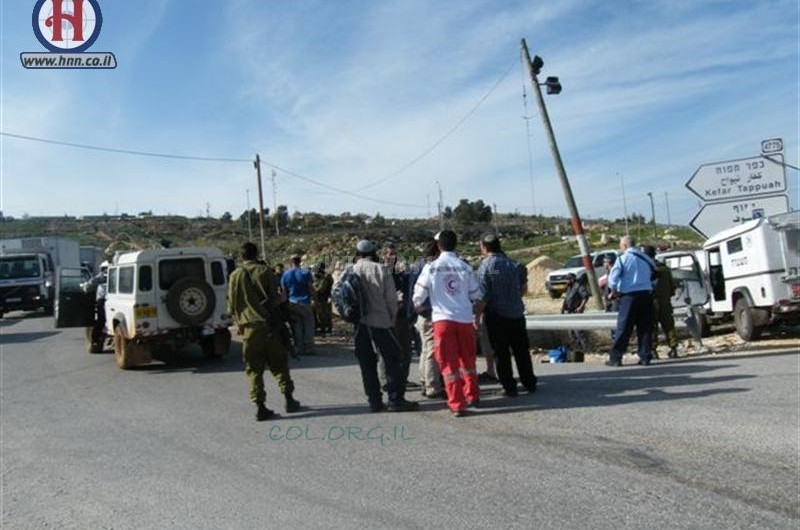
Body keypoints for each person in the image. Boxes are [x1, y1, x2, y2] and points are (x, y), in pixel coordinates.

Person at [413, 230, 483, 416]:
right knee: (468, 361)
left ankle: (457, 404)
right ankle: (473, 394)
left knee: (448, 365)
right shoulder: (465, 267)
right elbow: (476, 295)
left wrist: (421, 308)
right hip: (464, 320)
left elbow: (418, 297)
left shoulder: (432, 267)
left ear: (438, 245)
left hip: (442, 321)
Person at [228, 242, 300, 421]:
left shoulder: (235, 275)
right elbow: (276, 299)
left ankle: (260, 406)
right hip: (270, 326)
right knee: (279, 364)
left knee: (254, 369)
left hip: (249, 329)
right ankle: (289, 399)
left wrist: (240, 323)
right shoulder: (265, 271)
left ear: (241, 256)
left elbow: (232, 306)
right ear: (256, 254)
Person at [352, 239, 419, 413]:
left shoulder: (350, 270)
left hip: (360, 325)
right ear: (374, 252)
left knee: (367, 364)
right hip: (381, 322)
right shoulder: (380, 269)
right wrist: (391, 319)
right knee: (394, 359)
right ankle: (395, 400)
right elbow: (391, 300)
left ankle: (374, 401)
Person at [477, 233, 537, 397]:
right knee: (521, 351)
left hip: (497, 316)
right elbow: (523, 288)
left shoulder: (487, 266)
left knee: (501, 353)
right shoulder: (515, 265)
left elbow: (483, 295)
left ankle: (509, 386)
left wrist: (477, 316)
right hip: (517, 314)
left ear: (485, 247)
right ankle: (529, 382)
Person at [605, 235, 656, 367]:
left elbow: (613, 278)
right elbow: (655, 274)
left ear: (625, 246)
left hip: (629, 296)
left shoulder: (622, 259)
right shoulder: (646, 258)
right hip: (646, 294)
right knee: (645, 328)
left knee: (624, 328)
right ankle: (645, 356)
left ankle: (616, 357)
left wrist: (613, 291)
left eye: (620, 245)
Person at [409, 239, 444, 399]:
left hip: (420, 313)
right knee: (431, 350)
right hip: (430, 312)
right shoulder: (431, 267)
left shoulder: (417, 265)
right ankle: (432, 386)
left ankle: (424, 380)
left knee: (425, 349)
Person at [643, 245, 679, 358]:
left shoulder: (645, 269)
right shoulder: (665, 269)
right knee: (668, 325)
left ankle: (653, 350)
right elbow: (672, 286)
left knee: (652, 326)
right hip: (665, 301)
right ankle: (673, 348)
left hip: (651, 301)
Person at [281, 255, 316, 356]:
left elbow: (284, 291)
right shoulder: (305, 272)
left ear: (290, 262)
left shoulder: (286, 274)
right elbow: (310, 288)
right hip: (305, 302)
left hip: (292, 302)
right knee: (308, 325)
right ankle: (309, 347)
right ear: (300, 261)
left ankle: (299, 347)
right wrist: (315, 299)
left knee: (296, 326)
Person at [82, 260, 109, 353]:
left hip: (103, 300)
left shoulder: (102, 277)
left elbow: (89, 285)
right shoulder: (116, 275)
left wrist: (85, 288)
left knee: (101, 321)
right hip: (110, 300)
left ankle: (95, 341)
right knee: (102, 320)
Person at [561, 272, 591, 352]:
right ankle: (578, 348)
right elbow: (566, 299)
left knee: (578, 330)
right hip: (569, 312)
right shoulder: (569, 288)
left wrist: (580, 307)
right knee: (571, 332)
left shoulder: (578, 286)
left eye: (568, 279)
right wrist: (563, 310)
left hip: (576, 311)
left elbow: (586, 296)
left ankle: (586, 348)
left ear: (572, 279)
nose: (566, 281)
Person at [312, 262, 334, 334]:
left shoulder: (325, 277)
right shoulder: (324, 276)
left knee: (322, 313)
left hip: (322, 297)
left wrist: (314, 289)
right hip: (324, 297)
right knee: (325, 313)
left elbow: (321, 289)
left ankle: (323, 328)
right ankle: (326, 327)